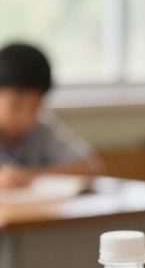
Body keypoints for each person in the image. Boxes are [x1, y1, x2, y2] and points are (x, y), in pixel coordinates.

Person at [0, 42, 100, 189]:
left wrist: (29, 175)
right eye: (16, 106)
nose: (26, 117)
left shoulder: (42, 130)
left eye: (34, 106)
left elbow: (90, 167)